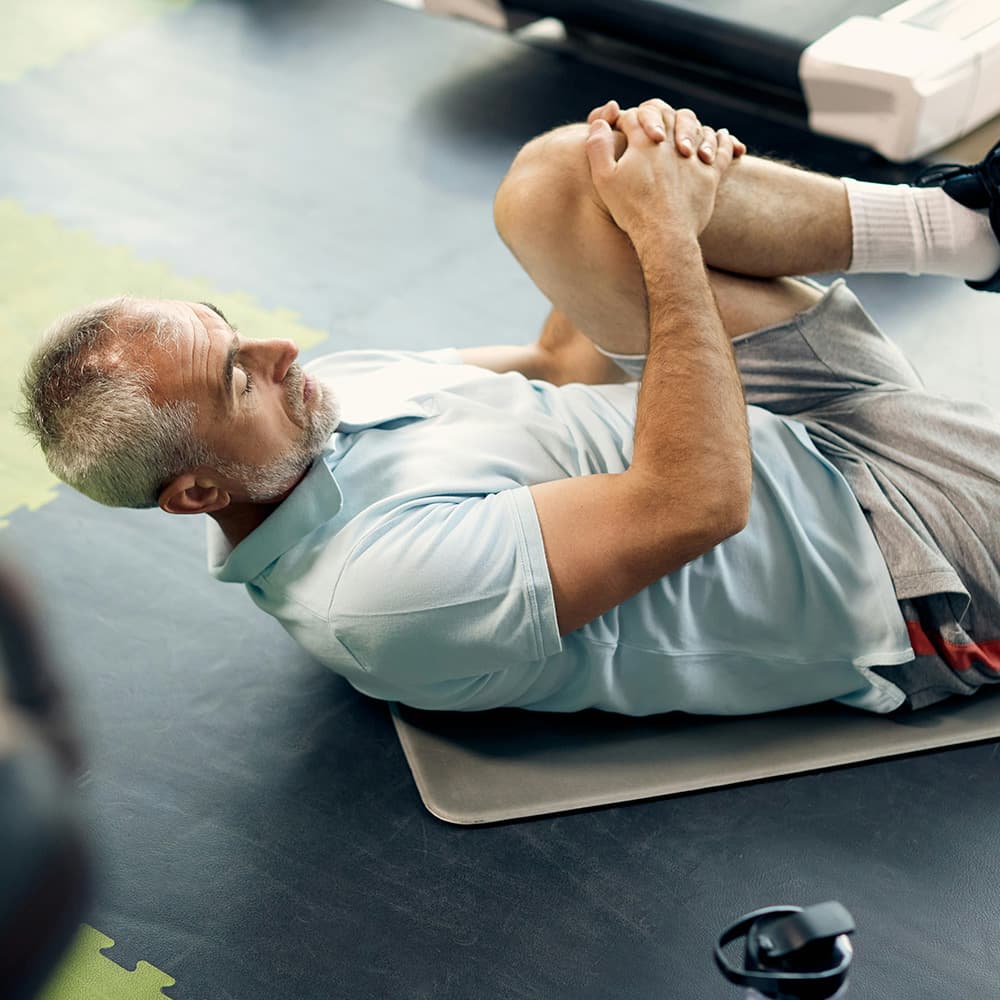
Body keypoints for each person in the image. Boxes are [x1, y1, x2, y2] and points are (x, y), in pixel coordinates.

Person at [17, 100, 1000, 717]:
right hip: (897, 558)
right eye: (237, 373)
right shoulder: (381, 597)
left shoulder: (307, 409)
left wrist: (635, 175)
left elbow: (556, 359)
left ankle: (966, 228)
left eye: (233, 326)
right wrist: (665, 231)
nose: (281, 348)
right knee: (641, 208)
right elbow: (697, 502)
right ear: (196, 489)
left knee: (560, 176)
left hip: (786, 414)